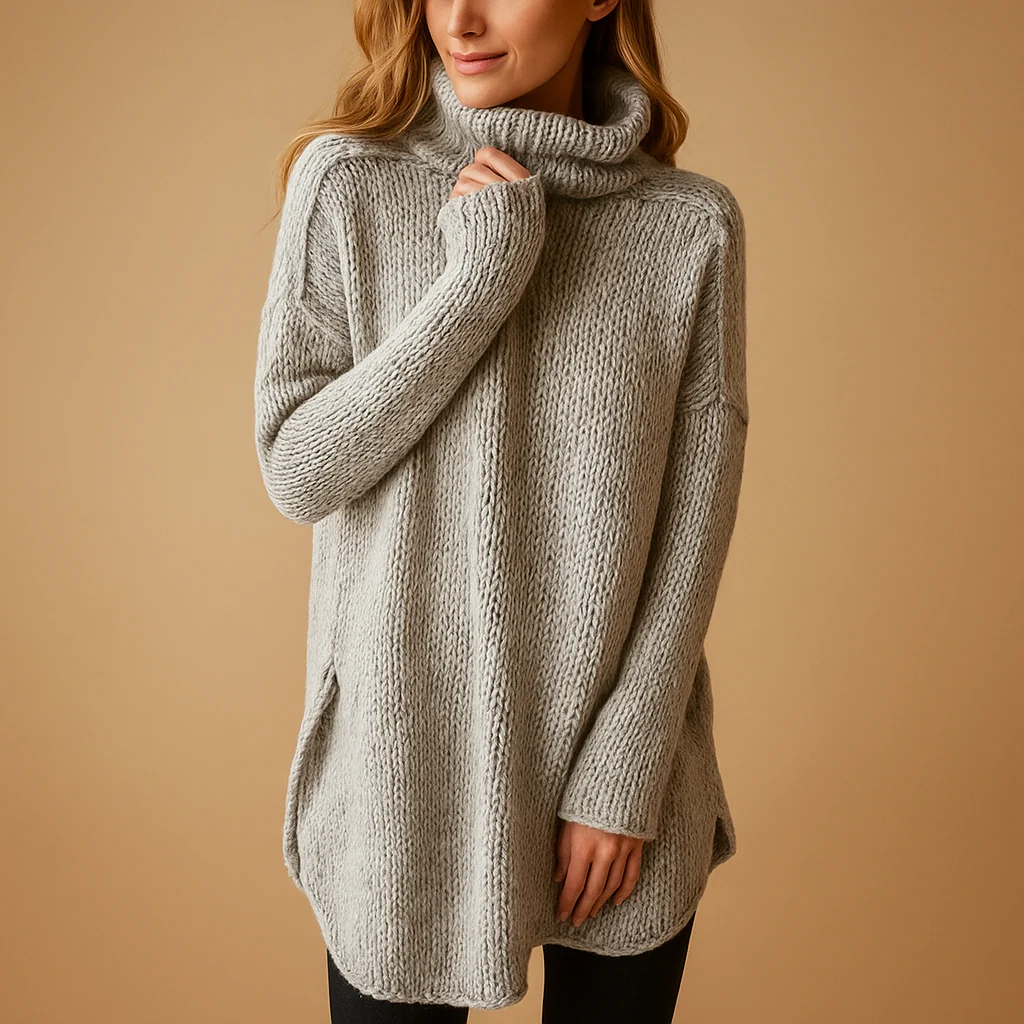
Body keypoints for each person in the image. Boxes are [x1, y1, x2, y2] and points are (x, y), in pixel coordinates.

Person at [253, 0, 749, 1021]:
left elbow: (694, 520)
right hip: (405, 770)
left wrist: (625, 768)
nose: (461, 18)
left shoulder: (690, 225)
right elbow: (298, 470)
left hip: (619, 767)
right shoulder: (349, 181)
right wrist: (476, 283)